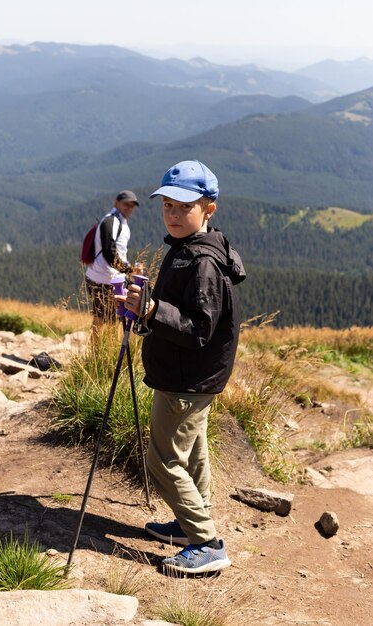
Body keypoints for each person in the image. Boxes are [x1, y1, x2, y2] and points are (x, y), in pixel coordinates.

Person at [115, 160, 246, 575]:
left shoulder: (202, 262)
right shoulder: (191, 247)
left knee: (162, 460)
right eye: (167, 205)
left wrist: (152, 309)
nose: (172, 214)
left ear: (209, 209)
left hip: (186, 380)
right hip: (192, 375)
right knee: (194, 454)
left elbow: (199, 329)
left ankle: (207, 543)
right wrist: (148, 310)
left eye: (183, 207)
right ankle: (190, 525)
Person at [85, 190, 139, 326]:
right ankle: (101, 347)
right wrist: (129, 270)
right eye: (126, 204)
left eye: (132, 205)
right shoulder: (112, 221)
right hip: (105, 279)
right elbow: (109, 253)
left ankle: (99, 347)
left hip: (101, 276)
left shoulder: (118, 220)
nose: (129, 208)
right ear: (117, 203)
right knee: (108, 319)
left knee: (102, 317)